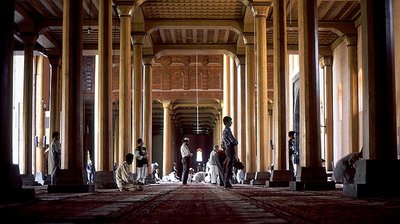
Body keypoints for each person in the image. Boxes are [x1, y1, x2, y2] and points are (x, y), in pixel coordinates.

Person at [221, 116, 238, 189]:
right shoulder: (227, 131)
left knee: (230, 166)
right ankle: (226, 183)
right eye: (230, 121)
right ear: (227, 122)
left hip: (229, 149)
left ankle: (227, 182)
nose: (231, 122)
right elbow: (231, 141)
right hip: (229, 149)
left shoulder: (227, 130)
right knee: (229, 166)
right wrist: (235, 142)